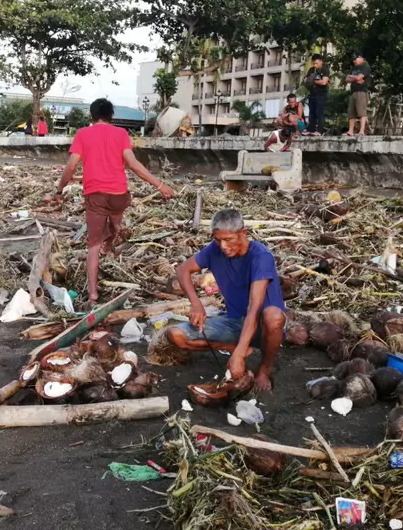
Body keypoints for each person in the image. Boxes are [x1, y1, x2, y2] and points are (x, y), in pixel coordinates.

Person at [55, 98, 175, 309]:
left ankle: (93, 293)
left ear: (91, 116)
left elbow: (72, 166)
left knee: (93, 245)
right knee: (115, 227)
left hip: (95, 195)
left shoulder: (83, 134)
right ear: (111, 115)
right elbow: (133, 164)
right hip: (119, 194)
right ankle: (108, 246)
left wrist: (60, 187)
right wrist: (160, 185)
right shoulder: (121, 134)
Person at [163, 209, 286, 391]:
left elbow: (254, 309)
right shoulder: (215, 250)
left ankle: (264, 369)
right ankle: (235, 348)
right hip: (235, 321)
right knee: (176, 335)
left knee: (273, 316)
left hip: (262, 326)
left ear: (243, 233)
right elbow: (182, 270)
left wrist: (239, 357)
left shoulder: (260, 257)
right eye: (217, 239)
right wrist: (196, 304)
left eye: (228, 239)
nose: (222, 245)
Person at [345, 53, 372, 136]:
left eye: (355, 59)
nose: (354, 61)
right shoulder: (353, 67)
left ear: (360, 58)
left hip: (361, 91)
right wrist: (355, 79)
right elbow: (347, 79)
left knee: (361, 112)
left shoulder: (365, 66)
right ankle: (350, 130)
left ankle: (361, 131)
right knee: (351, 112)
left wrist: (353, 77)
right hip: (353, 91)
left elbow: (358, 77)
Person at [304, 54, 331, 136]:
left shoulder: (324, 70)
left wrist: (313, 81)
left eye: (316, 63)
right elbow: (306, 81)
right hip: (312, 93)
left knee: (319, 112)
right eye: (314, 63)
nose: (315, 65)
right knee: (312, 113)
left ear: (321, 62)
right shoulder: (311, 70)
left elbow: (324, 82)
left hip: (321, 94)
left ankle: (319, 131)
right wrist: (310, 81)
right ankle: (311, 129)